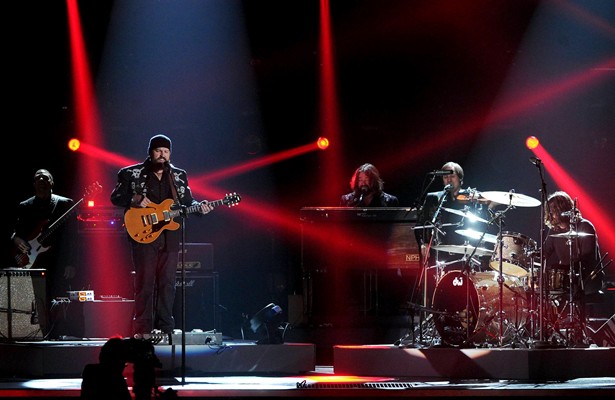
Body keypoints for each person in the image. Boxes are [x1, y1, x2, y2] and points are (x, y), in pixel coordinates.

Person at [110, 134, 214, 338]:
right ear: (150, 152)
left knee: (167, 282)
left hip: (170, 233)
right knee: (145, 281)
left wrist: (200, 207)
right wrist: (135, 198)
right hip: (142, 232)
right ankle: (142, 328)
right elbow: (115, 197)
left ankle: (165, 327)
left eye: (166, 152)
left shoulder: (178, 175)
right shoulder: (132, 173)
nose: (162, 155)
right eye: (158, 151)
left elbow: (187, 201)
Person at [9, 168, 78, 338]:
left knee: (56, 297)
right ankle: (35, 332)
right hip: (32, 259)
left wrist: (71, 262)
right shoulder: (25, 206)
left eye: (45, 178)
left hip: (58, 260)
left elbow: (73, 237)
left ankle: (57, 334)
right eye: (38, 178)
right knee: (34, 298)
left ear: (51, 183)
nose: (41, 180)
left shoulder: (64, 204)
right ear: (34, 184)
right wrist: (17, 240)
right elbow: (15, 232)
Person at [542, 191, 605, 345]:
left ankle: (578, 333)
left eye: (554, 210)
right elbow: (543, 253)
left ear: (564, 209)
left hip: (588, 279)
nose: (551, 214)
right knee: (543, 291)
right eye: (549, 210)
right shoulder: (554, 231)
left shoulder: (585, 226)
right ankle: (551, 333)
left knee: (565, 290)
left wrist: (563, 267)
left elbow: (588, 256)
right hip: (566, 280)